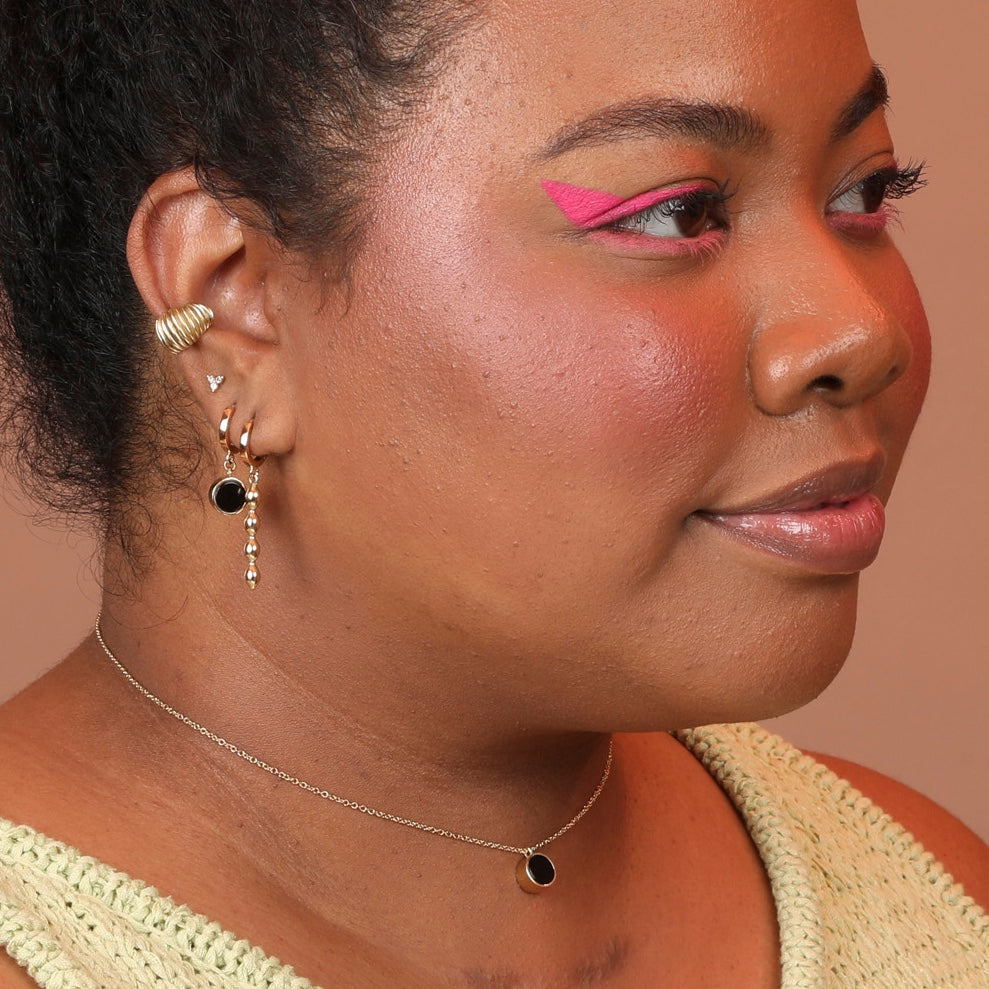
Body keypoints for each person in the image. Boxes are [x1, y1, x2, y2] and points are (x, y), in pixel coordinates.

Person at [0, 0, 986, 985]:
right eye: (676, 212)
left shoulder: (929, 902)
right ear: (228, 302)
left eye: (863, 193)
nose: (860, 332)